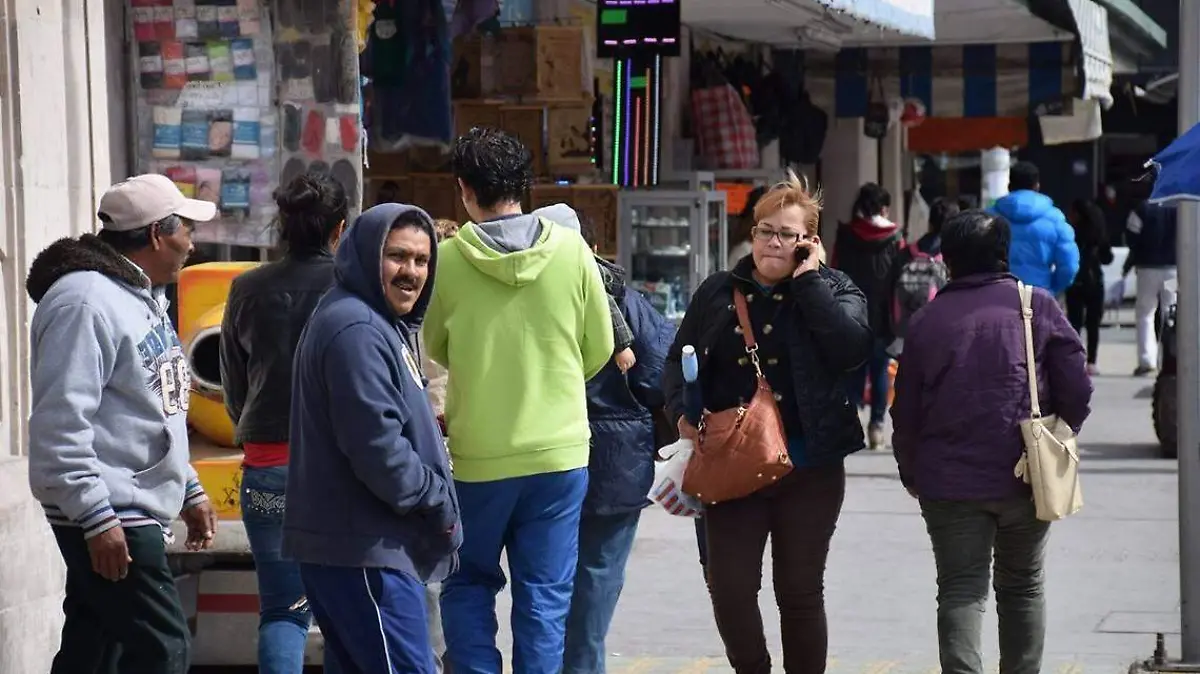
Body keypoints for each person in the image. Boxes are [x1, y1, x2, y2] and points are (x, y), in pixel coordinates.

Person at [664, 170, 872, 674]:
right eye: (764, 230)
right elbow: (676, 360)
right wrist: (680, 416)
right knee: (729, 587)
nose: (772, 242)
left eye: (786, 233)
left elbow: (851, 351)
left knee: (799, 591)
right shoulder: (718, 291)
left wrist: (810, 284)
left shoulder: (838, 290)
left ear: (810, 242)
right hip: (732, 466)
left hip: (810, 468)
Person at [423, 127, 614, 674]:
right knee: (545, 597)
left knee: (468, 583)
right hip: (559, 455)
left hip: (479, 457)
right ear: (524, 187)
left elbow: (434, 346)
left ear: (464, 189)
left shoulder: (449, 261)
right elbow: (598, 348)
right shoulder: (573, 252)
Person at [25, 173, 219, 673]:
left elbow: (154, 408)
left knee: (94, 651)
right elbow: (59, 421)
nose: (191, 245)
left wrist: (189, 488)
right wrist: (95, 516)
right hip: (113, 513)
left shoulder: (139, 297)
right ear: (158, 233)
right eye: (185, 232)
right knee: (163, 649)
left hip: (127, 509)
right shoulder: (84, 302)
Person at [891, 210, 1092, 674]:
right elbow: (1077, 388)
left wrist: (910, 469)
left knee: (961, 588)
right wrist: (1062, 433)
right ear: (1003, 254)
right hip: (1026, 472)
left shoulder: (927, 321)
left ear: (948, 261)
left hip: (948, 481)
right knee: (1022, 584)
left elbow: (905, 411)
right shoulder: (1036, 305)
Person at [283, 204, 461, 674]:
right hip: (365, 552)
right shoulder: (357, 329)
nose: (412, 272)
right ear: (365, 255)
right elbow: (377, 448)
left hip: (364, 548)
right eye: (398, 257)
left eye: (422, 261)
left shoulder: (373, 323)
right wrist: (436, 498)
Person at [218, 170, 348, 673]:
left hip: (267, 465)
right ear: (339, 230)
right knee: (346, 607)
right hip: (337, 467)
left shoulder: (245, 288)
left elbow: (234, 387)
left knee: (282, 609)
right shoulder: (350, 288)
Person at [562, 219, 675, 674]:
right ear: (593, 246)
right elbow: (659, 373)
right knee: (597, 575)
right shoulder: (626, 300)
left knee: (548, 579)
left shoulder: (525, 298)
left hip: (542, 456)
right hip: (617, 461)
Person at [831, 182, 904, 449]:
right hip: (883, 317)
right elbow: (899, 280)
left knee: (853, 371)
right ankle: (877, 427)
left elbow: (835, 272)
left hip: (851, 314)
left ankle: (852, 424)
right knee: (880, 369)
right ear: (884, 207)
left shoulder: (846, 235)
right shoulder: (895, 238)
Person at [990, 161, 1079, 297]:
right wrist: (1051, 288)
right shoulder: (1054, 218)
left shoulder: (989, 216)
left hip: (997, 295)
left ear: (1009, 186)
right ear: (1037, 186)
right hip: (1038, 295)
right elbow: (1069, 266)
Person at [1123, 199, 1178, 376]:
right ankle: (1170, 357)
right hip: (1173, 269)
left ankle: (1147, 360)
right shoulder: (1178, 207)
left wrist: (1138, 252)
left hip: (1147, 269)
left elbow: (1131, 233)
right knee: (1170, 312)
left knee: (1145, 313)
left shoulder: (1143, 208)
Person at [1064, 198, 1113, 375]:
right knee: (1093, 324)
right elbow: (1108, 258)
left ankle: (1075, 359)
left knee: (1074, 322)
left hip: (1076, 282)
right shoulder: (1098, 234)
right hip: (1095, 281)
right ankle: (1092, 361)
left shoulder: (1071, 233)